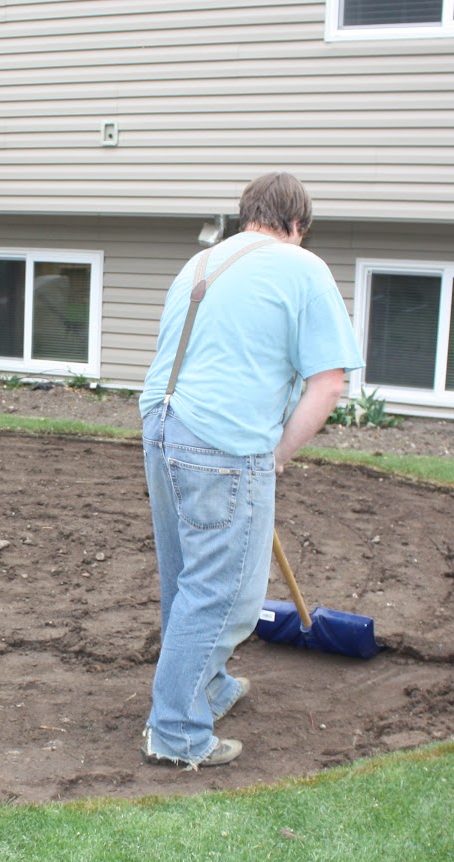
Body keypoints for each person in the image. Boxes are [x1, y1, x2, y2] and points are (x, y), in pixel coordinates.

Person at [137, 172, 364, 769]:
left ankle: (207, 688)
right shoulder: (303, 267)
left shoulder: (201, 263)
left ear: (247, 216)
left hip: (162, 428)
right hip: (224, 442)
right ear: (298, 224)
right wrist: (277, 454)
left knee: (187, 581)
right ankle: (176, 733)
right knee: (225, 595)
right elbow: (329, 383)